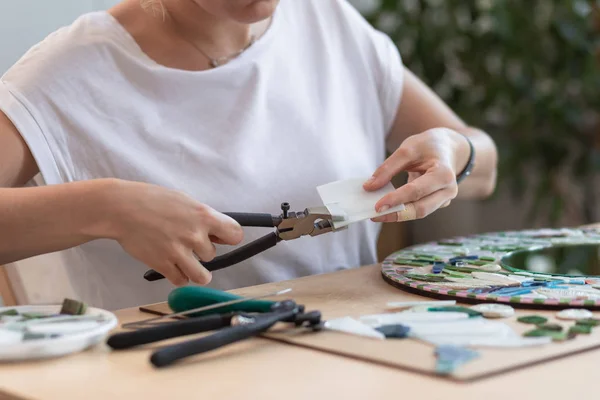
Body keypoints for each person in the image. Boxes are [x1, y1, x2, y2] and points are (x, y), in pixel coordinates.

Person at [0, 0, 497, 310]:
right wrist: (104, 207)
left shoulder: (331, 23)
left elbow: (481, 164)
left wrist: (455, 151)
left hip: (355, 361)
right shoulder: (67, 73)